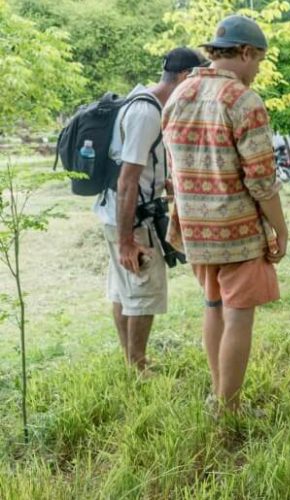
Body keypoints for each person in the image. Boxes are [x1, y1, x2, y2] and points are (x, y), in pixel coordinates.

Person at [162, 16, 287, 414]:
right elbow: (262, 181)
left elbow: (175, 168)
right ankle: (229, 407)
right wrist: (280, 230)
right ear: (246, 53)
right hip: (237, 229)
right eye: (259, 62)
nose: (257, 71)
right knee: (237, 316)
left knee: (212, 306)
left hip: (195, 229)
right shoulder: (243, 101)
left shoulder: (180, 95)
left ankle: (218, 398)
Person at [95, 47, 207, 372]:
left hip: (120, 212)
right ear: (186, 77)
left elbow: (137, 169)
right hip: (130, 217)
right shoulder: (146, 113)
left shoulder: (142, 100)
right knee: (143, 291)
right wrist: (128, 240)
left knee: (124, 291)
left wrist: (164, 185)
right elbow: (128, 180)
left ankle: (132, 362)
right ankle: (140, 367)